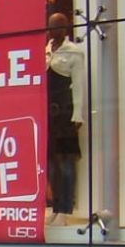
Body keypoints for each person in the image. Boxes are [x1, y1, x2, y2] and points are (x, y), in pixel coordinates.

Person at [46, 12, 84, 225]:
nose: (54, 30)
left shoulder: (73, 52)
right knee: (51, 163)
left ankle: (66, 209)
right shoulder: (45, 50)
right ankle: (56, 206)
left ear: (66, 28)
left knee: (67, 162)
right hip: (48, 114)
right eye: (51, 26)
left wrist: (77, 114)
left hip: (65, 113)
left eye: (58, 26)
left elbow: (78, 84)